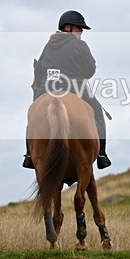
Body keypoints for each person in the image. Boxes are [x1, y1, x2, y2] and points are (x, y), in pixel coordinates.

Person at [23, 10, 112, 170]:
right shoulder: (79, 45)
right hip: (75, 87)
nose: (81, 31)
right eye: (79, 28)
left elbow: (40, 71)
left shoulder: (48, 46)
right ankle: (102, 155)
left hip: (47, 88)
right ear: (69, 28)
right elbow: (90, 70)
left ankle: (29, 155)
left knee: (32, 115)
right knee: (98, 113)